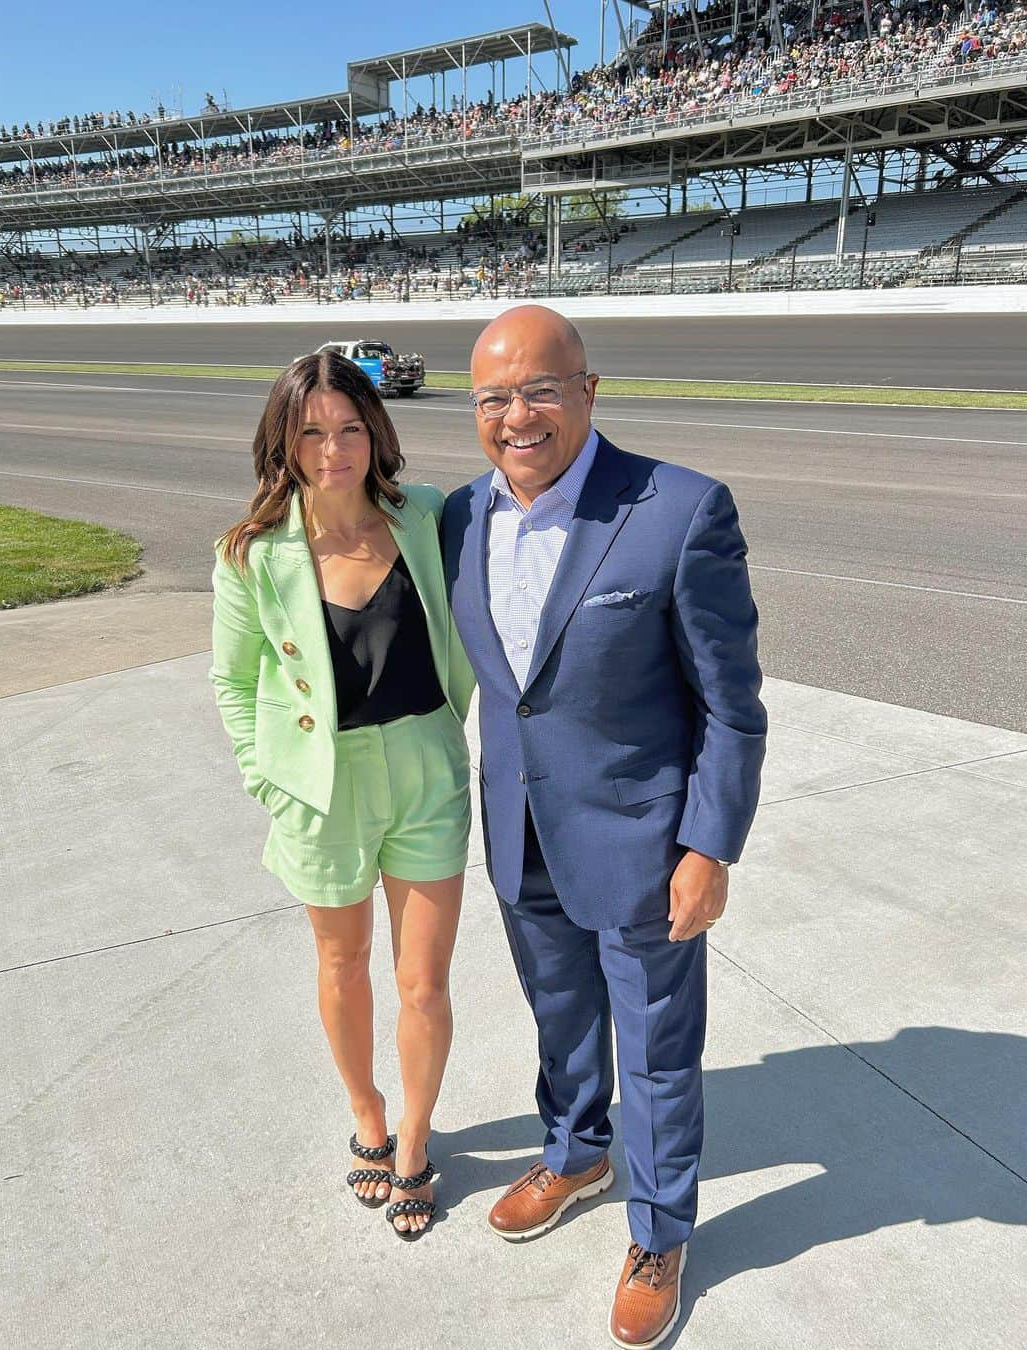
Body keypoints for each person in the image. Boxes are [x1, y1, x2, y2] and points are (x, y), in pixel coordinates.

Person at [441, 306, 766, 1346]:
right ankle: (578, 1151)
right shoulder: (457, 518)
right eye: (494, 397)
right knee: (561, 1018)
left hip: (642, 845)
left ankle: (662, 1228)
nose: (517, 415)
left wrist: (710, 846)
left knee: (660, 1051)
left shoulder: (678, 510)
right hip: (521, 834)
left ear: (588, 389)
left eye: (540, 388)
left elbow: (731, 704)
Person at [210, 351, 474, 1240]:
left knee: (424, 982)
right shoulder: (253, 554)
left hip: (427, 771)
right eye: (313, 432)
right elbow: (233, 682)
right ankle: (367, 1115)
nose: (334, 450)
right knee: (341, 964)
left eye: (351, 428)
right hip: (320, 788)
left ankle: (415, 1142)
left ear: (376, 431)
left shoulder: (425, 517)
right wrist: (267, 780)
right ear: (284, 439)